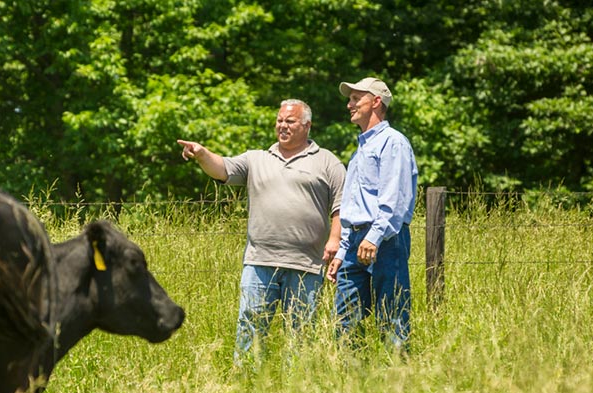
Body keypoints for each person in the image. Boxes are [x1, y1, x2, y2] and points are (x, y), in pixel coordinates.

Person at [177, 99, 345, 367]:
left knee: (301, 336)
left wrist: (335, 239)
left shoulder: (327, 162)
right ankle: (246, 385)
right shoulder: (256, 158)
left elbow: (341, 207)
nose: (282, 126)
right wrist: (201, 154)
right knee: (250, 330)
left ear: (307, 125)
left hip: (306, 264)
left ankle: (298, 389)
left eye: (290, 121)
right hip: (259, 262)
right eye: (280, 120)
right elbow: (222, 169)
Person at [325, 77, 418, 354]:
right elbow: (353, 207)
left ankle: (397, 381)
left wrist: (374, 237)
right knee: (346, 322)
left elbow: (394, 199)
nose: (349, 104)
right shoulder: (361, 149)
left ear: (376, 102)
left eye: (356, 99)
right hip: (355, 242)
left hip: (385, 241)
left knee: (392, 317)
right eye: (350, 99)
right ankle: (351, 383)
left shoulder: (393, 143)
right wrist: (342, 250)